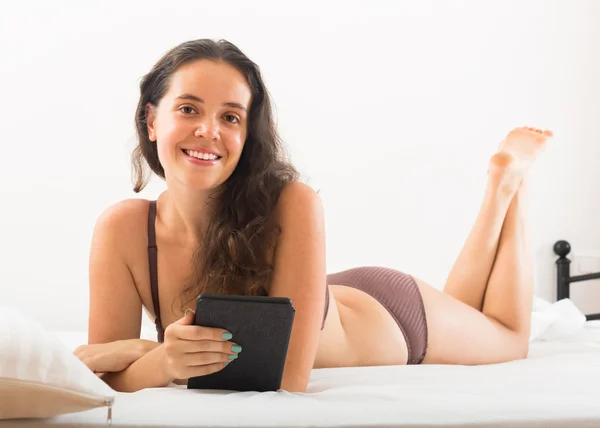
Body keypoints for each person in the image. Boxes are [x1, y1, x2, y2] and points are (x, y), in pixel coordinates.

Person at [74, 38, 552, 394]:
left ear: (247, 134)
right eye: (188, 108)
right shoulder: (122, 229)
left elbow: (287, 379)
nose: (208, 131)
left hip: (391, 321)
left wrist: (147, 355)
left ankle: (510, 186)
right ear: (152, 119)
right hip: (326, 300)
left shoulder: (292, 202)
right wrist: (161, 363)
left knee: (509, 338)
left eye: (231, 117)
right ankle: (501, 189)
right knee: (463, 307)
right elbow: (101, 374)